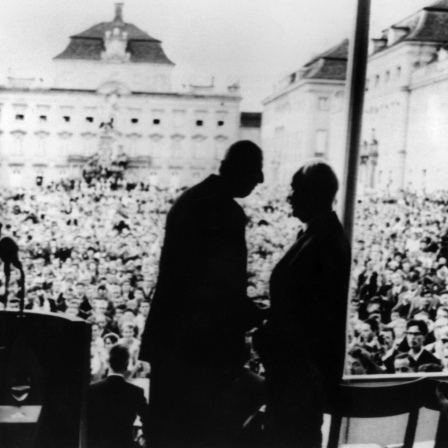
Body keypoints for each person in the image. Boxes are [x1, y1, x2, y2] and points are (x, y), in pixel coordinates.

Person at [139, 140, 266, 448]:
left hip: (171, 343)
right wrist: (260, 314)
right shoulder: (226, 212)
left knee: (168, 434)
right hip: (201, 353)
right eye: (255, 172)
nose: (258, 181)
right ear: (239, 170)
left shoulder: (191, 199)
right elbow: (222, 289)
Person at [264, 160, 351, 448]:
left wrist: (268, 329)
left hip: (299, 376)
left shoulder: (323, 240)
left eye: (295, 189)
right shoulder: (319, 234)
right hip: (296, 374)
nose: (289, 197)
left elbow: (310, 319)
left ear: (313, 194)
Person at [87, 344, 148, 448]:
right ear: (127, 364)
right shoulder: (136, 392)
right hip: (124, 444)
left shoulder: (92, 390)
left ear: (108, 362)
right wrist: (143, 436)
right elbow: (148, 418)